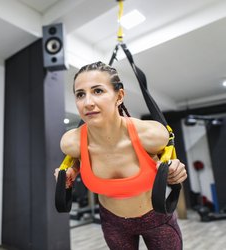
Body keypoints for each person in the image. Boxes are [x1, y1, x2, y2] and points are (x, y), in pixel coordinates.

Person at [54, 61, 187, 250]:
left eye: (98, 91)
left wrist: (175, 171)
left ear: (120, 96)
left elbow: (169, 160)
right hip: (113, 223)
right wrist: (71, 171)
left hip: (156, 220)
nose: (88, 102)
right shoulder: (71, 143)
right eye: (80, 94)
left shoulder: (151, 136)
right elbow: (79, 159)